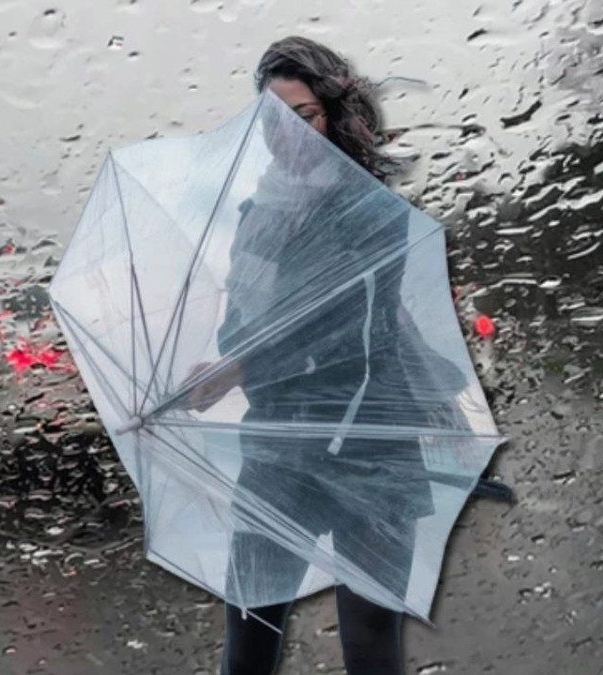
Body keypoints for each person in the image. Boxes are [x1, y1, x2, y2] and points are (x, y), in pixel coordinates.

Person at [186, 36, 459, 675]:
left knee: (369, 646)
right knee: (249, 634)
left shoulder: (373, 210)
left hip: (373, 448)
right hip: (281, 446)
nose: (285, 134)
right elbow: (239, 327)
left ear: (333, 114)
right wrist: (224, 364)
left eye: (302, 116)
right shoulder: (256, 214)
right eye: (272, 120)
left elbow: (353, 330)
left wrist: (243, 366)